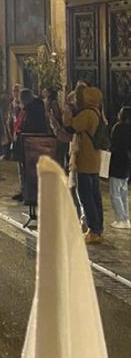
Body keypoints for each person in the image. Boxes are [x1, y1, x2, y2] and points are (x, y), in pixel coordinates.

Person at [64, 84, 106, 244]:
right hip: (94, 161)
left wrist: (67, 108)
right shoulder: (97, 112)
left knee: (86, 196)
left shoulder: (87, 114)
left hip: (85, 161)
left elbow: (71, 126)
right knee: (95, 196)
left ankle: (94, 229)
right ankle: (97, 228)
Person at [108, 106, 131, 230]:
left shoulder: (118, 128)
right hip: (127, 164)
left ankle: (120, 219)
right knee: (123, 192)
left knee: (115, 193)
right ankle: (126, 218)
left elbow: (113, 144)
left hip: (117, 162)